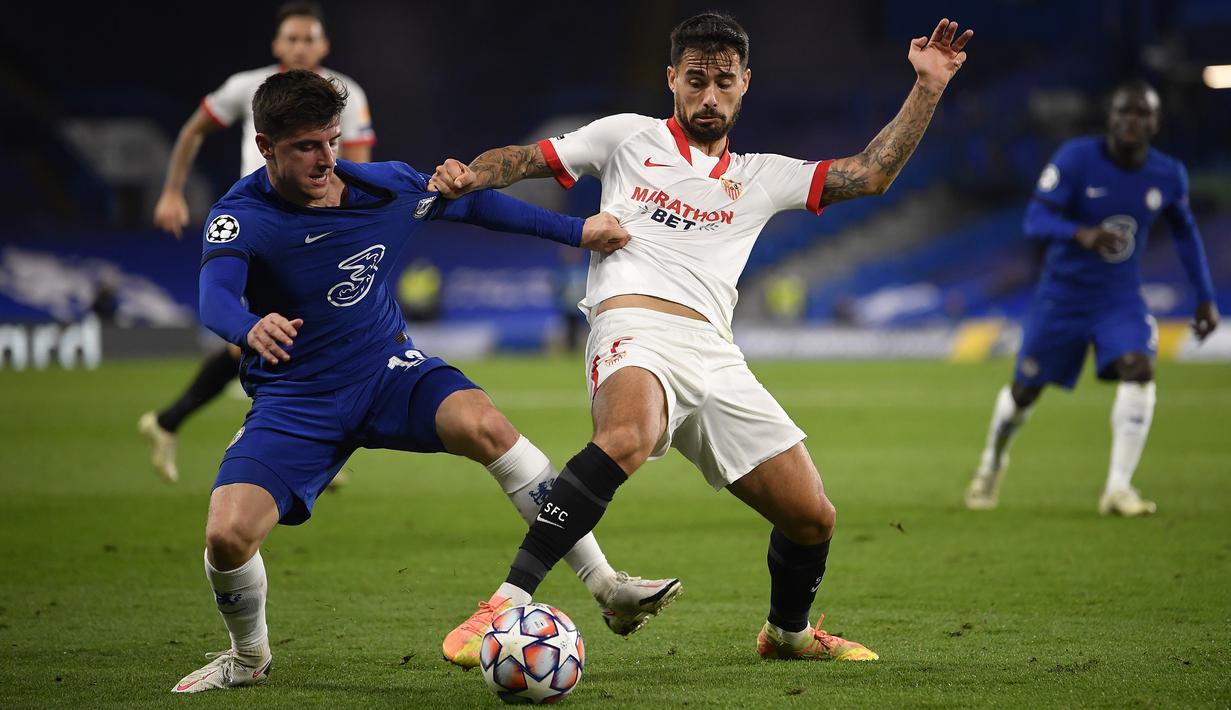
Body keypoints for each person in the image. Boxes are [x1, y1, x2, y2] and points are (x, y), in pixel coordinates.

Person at [433, 13, 972, 664]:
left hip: (714, 354)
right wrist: (471, 175)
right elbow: (522, 160)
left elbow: (870, 174)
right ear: (672, 80)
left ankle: (787, 635)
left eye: (723, 81)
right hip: (633, 325)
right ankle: (506, 602)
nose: (708, 95)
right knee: (625, 437)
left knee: (811, 517)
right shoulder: (627, 137)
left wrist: (927, 88)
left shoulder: (761, 175)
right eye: (695, 80)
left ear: (745, 84)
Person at [170, 70, 680, 693]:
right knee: (227, 536)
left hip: (388, 373)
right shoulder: (240, 216)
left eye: (331, 140)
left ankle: (606, 586)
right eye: (307, 146)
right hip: (296, 401)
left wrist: (576, 232)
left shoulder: (381, 186)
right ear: (266, 145)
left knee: (486, 425)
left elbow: (476, 205)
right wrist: (248, 326)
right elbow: (213, 296)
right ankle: (248, 659)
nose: (326, 159)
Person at [140, 1, 375, 484]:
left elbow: (361, 165)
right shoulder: (250, 88)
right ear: (277, 45)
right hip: (259, 229)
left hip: (319, 231)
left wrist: (359, 223)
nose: (300, 47)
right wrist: (171, 191)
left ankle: (170, 422)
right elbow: (193, 130)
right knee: (282, 332)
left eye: (309, 38)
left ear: (324, 45)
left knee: (286, 333)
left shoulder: (347, 94)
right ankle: (294, 446)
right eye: (292, 38)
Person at [965, 80, 1218, 516]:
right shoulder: (1076, 158)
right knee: (1025, 392)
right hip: (1062, 296)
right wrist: (1080, 233)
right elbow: (1036, 217)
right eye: (1124, 112)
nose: (1131, 121)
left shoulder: (1167, 173)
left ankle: (1118, 488)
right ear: (1110, 117)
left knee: (1140, 368)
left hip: (1119, 297)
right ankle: (992, 462)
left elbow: (1185, 231)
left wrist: (1205, 296)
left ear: (1156, 123)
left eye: (1142, 114)